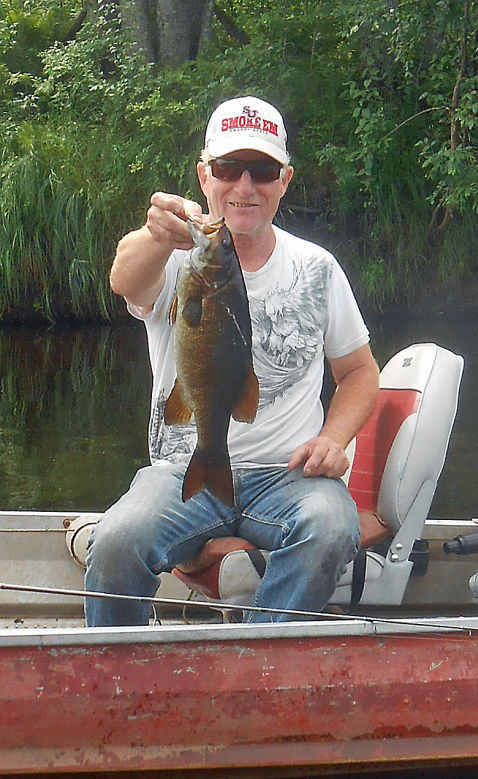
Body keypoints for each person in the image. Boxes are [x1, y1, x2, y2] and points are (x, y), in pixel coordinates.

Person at [84, 95, 379, 626]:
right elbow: (124, 278)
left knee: (333, 528)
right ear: (204, 175)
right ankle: (117, 680)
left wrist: (334, 440)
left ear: (284, 180)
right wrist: (155, 234)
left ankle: (257, 660)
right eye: (229, 168)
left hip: (288, 474)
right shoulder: (175, 257)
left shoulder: (317, 267)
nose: (245, 187)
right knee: (117, 541)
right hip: (181, 470)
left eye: (262, 171)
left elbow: (359, 372)